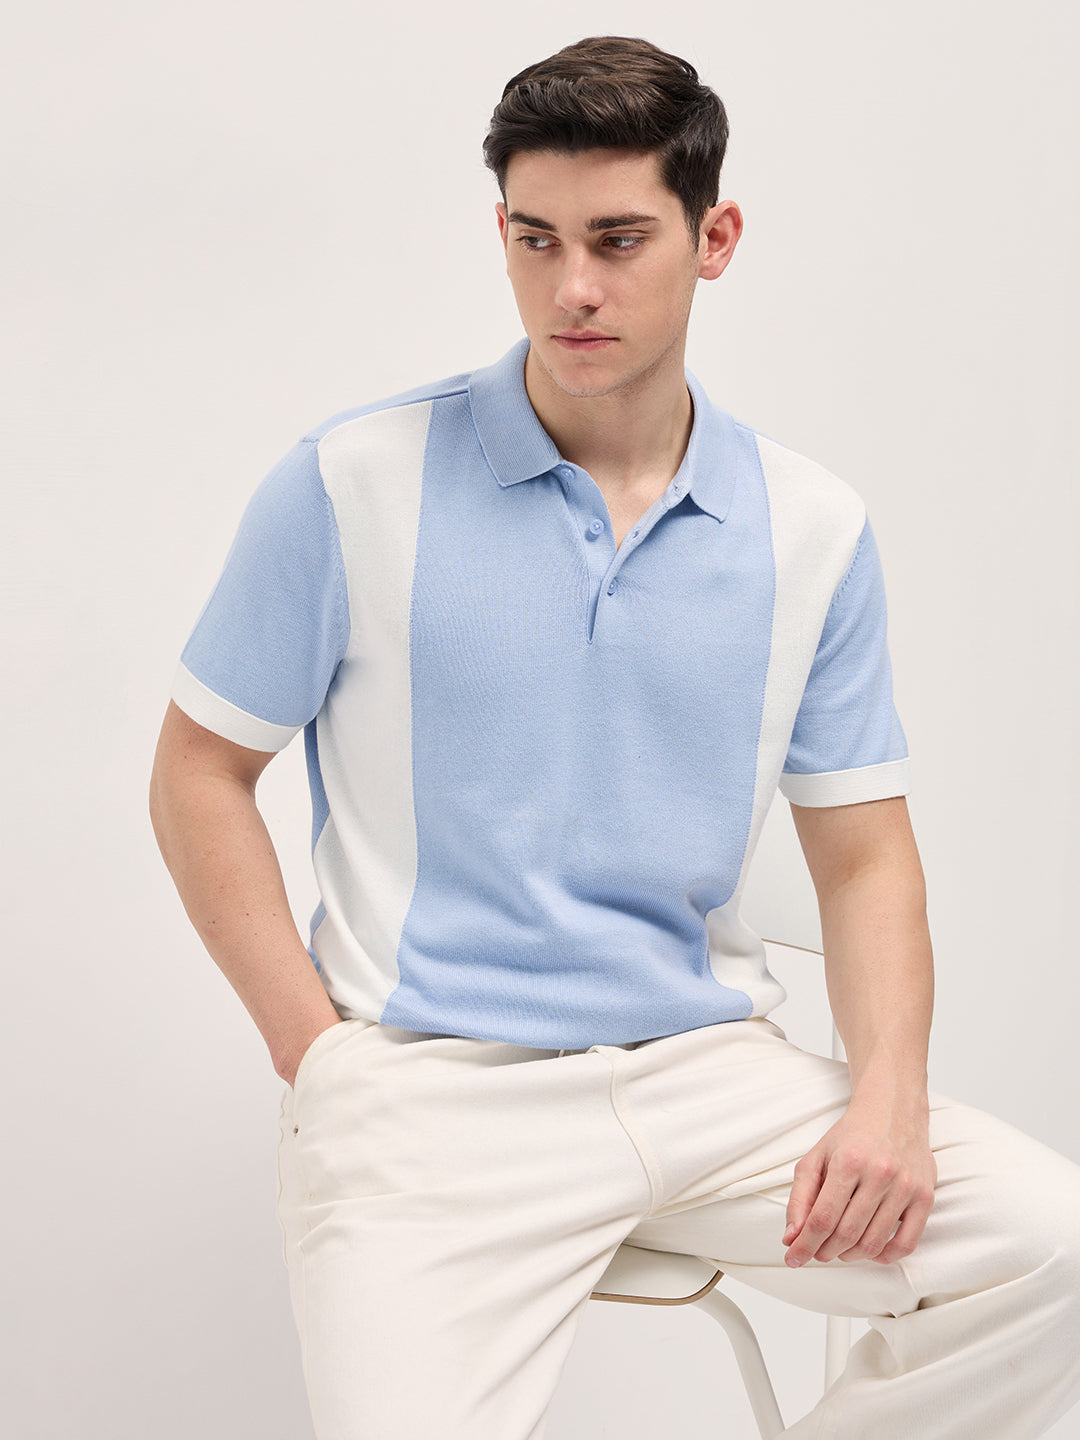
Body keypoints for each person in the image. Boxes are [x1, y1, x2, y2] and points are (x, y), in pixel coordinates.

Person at [149, 34, 1080, 1440]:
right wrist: (316, 1051)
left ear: (716, 239)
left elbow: (866, 858)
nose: (571, 287)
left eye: (618, 240)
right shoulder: (353, 481)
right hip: (434, 1091)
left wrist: (890, 1098)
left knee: (1050, 1247)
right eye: (537, 240)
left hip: (712, 1077)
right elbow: (200, 771)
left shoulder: (812, 529)